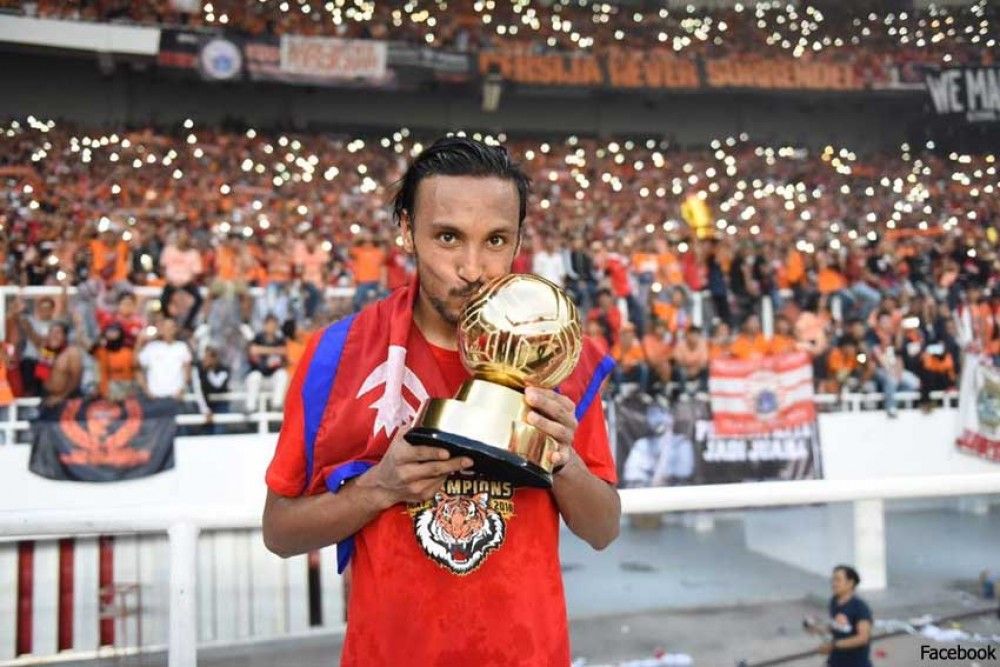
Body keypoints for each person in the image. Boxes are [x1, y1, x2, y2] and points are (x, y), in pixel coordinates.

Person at [262, 137, 620, 666]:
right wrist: (380, 488)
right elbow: (279, 532)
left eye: (495, 240)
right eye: (448, 237)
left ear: (519, 238)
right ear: (407, 230)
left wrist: (562, 461)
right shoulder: (339, 356)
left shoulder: (561, 357)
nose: (472, 268)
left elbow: (603, 528)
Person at [811, 565, 873, 667]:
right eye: (832, 580)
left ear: (850, 583)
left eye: (838, 580)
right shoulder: (834, 601)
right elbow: (837, 628)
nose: (833, 584)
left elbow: (863, 638)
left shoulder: (860, 607)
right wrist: (820, 629)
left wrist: (833, 645)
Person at [136, 318, 192, 400]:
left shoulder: (182, 347)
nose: (168, 331)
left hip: (175, 396)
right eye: (166, 328)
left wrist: (183, 388)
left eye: (171, 328)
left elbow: (187, 370)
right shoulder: (152, 347)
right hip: (155, 396)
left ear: (175, 329)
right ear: (161, 330)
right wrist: (140, 341)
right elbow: (137, 366)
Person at [245, 314, 289, 414]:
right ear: (264, 325)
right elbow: (252, 350)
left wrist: (261, 350)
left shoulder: (280, 340)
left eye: (274, 324)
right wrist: (275, 350)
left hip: (272, 378)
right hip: (259, 377)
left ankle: (277, 405)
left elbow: (284, 352)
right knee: (254, 376)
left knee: (282, 374)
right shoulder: (257, 338)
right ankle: (250, 407)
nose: (272, 327)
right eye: (269, 324)